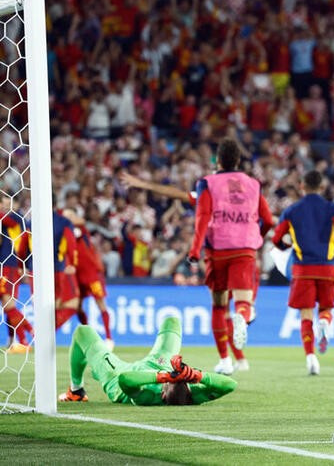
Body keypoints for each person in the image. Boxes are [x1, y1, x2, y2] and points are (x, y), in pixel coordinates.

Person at [120, 173, 254, 370]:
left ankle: (226, 360)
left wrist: (144, 183)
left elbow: (177, 194)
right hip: (243, 255)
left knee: (220, 309)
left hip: (217, 255)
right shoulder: (244, 198)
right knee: (238, 306)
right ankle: (241, 351)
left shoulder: (209, 195)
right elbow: (264, 219)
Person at [188, 138, 274, 375]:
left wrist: (195, 249)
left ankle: (225, 360)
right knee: (244, 302)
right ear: (238, 160)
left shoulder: (207, 183)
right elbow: (268, 220)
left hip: (217, 250)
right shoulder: (253, 184)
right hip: (245, 248)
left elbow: (202, 216)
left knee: (218, 305)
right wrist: (257, 235)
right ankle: (242, 317)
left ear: (218, 159)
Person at [271, 170, 334, 375]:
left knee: (306, 314)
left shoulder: (291, 210)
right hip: (327, 266)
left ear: (302, 186)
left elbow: (276, 238)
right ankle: (324, 323)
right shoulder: (331, 207)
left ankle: (311, 358)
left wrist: (282, 247)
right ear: (322, 187)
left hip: (302, 268)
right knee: (326, 308)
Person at [58, 316, 236, 405]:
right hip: (159, 363)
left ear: (163, 394)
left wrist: (163, 377)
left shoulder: (148, 397)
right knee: (172, 322)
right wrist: (198, 375)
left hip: (117, 375)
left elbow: (126, 379)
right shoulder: (195, 394)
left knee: (83, 332)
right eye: (183, 379)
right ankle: (76, 390)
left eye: (169, 384)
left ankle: (76, 391)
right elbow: (230, 385)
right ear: (188, 385)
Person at [63, 210, 113, 348]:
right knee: (77, 307)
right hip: (77, 276)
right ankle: (90, 337)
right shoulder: (64, 234)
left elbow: (82, 221)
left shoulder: (82, 230)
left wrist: (69, 218)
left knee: (100, 303)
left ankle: (109, 338)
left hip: (92, 275)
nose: (68, 219)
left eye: (70, 216)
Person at [1, 196, 33, 353]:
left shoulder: (15, 218)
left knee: (9, 305)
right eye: (4, 204)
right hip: (12, 266)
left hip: (9, 266)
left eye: (9, 203)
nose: (6, 206)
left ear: (17, 204)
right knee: (8, 306)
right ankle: (13, 340)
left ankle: (26, 339)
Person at [53, 210, 81, 330]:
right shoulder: (65, 225)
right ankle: (42, 333)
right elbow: (71, 246)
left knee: (57, 304)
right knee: (69, 303)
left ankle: (42, 333)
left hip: (53, 268)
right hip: (63, 268)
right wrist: (73, 264)